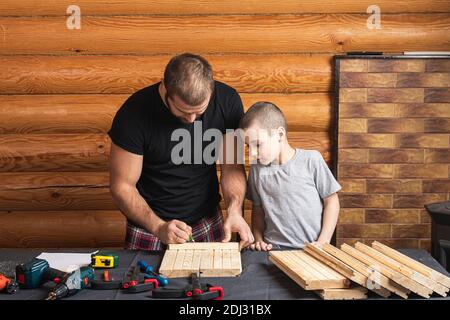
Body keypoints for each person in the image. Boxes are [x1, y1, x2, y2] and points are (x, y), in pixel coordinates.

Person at [108, 53, 254, 250]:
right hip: (150, 225)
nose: (192, 119)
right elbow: (122, 187)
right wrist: (158, 227)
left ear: (211, 90)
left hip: (207, 220)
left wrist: (235, 210)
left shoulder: (226, 101)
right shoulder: (134, 113)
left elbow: (231, 167)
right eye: (183, 112)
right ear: (166, 89)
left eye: (199, 112)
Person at [240, 101, 341, 250]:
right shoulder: (256, 170)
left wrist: (323, 241)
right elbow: (258, 209)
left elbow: (332, 202)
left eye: (258, 145)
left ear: (280, 134)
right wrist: (259, 239)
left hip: (310, 249)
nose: (252, 153)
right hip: (272, 249)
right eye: (249, 146)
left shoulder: (311, 160)